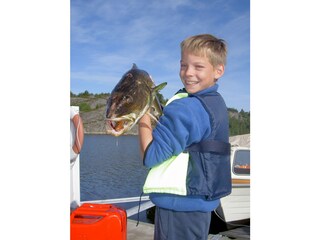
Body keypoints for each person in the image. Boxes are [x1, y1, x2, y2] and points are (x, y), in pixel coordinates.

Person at [138, 34, 231, 240]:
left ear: (218, 70)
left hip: (179, 206)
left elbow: (150, 155)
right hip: (199, 203)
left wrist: (142, 111)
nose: (188, 73)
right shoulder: (214, 102)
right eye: (183, 65)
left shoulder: (189, 107)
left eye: (198, 67)